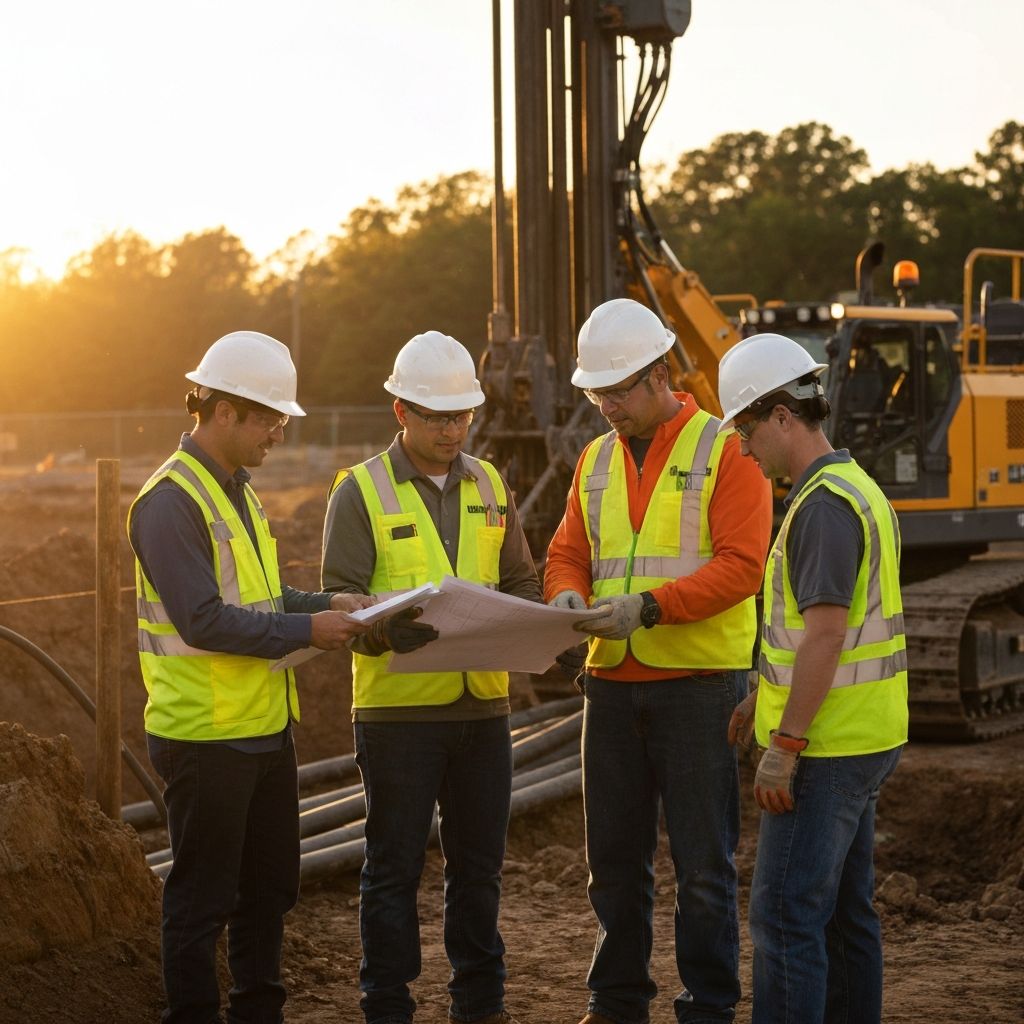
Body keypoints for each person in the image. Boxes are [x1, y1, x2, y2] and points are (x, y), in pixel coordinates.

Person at [128, 330, 375, 1024]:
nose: (279, 432)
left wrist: (325, 604)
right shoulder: (170, 501)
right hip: (205, 735)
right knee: (203, 899)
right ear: (223, 410)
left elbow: (258, 602)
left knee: (267, 890)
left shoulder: (236, 491)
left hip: (264, 727)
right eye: (269, 417)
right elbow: (204, 620)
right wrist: (308, 631)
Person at [544, 298, 773, 1024]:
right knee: (613, 863)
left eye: (617, 391)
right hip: (609, 686)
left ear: (660, 374)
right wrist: (567, 596)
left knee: (704, 867)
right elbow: (566, 552)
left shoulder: (725, 448)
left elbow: (743, 567)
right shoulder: (595, 458)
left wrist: (648, 606)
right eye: (595, 394)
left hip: (699, 689)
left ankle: (707, 1006)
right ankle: (616, 1003)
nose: (605, 406)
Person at [321, 330, 542, 1024]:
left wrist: (549, 628)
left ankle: (481, 1004)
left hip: (483, 713)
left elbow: (520, 579)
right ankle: (386, 1005)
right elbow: (340, 603)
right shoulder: (358, 492)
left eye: (462, 416)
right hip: (398, 718)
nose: (453, 430)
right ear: (400, 411)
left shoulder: (490, 483)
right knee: (392, 871)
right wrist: (385, 630)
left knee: (478, 872)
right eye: (437, 416)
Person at [717, 332, 908, 1024]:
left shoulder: (821, 507)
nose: (742, 448)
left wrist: (785, 744)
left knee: (785, 915)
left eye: (745, 429)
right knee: (841, 914)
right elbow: (828, 632)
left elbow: (827, 634)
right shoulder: (854, 488)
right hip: (865, 735)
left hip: (825, 748)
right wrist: (760, 697)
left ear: (781, 417)